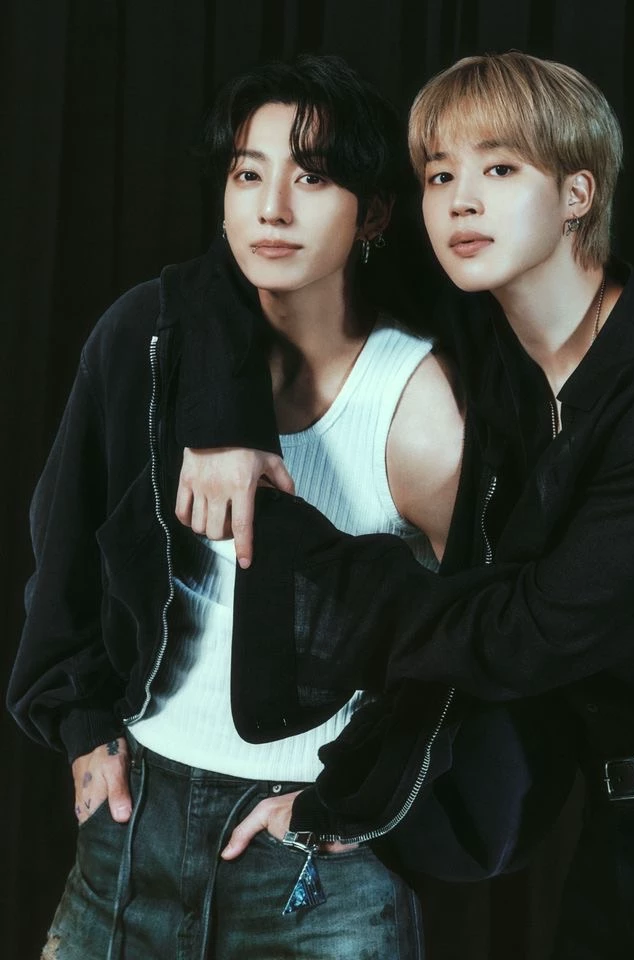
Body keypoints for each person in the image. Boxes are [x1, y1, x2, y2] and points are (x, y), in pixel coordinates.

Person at [178, 51, 634, 959]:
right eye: (440, 175)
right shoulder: (494, 339)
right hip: (621, 818)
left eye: (500, 170)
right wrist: (224, 422)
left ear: (576, 194)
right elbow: (242, 266)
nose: (461, 202)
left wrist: (304, 557)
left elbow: (527, 635)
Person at [7, 54, 470, 959]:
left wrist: (358, 798)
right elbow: (63, 544)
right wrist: (83, 728)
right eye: (248, 175)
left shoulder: (416, 404)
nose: (273, 209)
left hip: (309, 868)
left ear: (375, 213)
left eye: (313, 178)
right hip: (131, 825)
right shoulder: (146, 343)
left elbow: (474, 642)